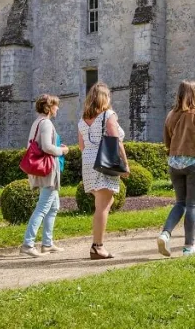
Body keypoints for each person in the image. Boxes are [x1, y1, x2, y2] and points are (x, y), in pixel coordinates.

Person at [157, 80, 195, 257]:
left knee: (180, 203)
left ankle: (165, 234)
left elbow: (167, 142)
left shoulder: (171, 115)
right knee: (193, 205)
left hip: (175, 163)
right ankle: (189, 247)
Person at [78, 82, 129, 260]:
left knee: (103, 202)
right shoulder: (109, 115)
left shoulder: (83, 119)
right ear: (105, 98)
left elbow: (81, 145)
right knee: (103, 207)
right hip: (105, 161)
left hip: (88, 161)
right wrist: (125, 164)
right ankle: (97, 246)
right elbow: (116, 141)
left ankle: (97, 244)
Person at [21, 94, 71, 257]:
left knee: (54, 207)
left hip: (44, 169)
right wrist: (62, 150)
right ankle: (28, 244)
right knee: (43, 208)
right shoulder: (46, 123)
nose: (57, 108)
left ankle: (47, 243)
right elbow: (47, 148)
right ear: (48, 108)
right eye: (55, 106)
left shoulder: (38, 122)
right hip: (48, 171)